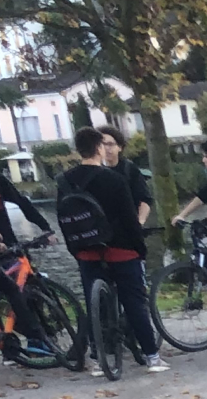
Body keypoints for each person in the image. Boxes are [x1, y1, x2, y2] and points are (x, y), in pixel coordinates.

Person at [55, 122, 162, 371]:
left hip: (86, 251)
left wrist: (76, 252)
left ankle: (96, 357)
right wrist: (140, 250)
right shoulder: (113, 179)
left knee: (95, 307)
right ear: (98, 148)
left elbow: (64, 221)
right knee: (135, 302)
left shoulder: (64, 181)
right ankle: (151, 356)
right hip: (121, 250)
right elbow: (128, 218)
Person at [0, 167, 61, 363]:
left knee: (26, 288)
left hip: (7, 245)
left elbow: (21, 202)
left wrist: (45, 227)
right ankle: (6, 342)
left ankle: (32, 342)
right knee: (5, 293)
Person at [96, 128, 154, 232]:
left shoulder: (129, 169)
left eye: (110, 144)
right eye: (102, 144)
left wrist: (139, 222)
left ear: (120, 147)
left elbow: (145, 199)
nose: (106, 148)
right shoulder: (95, 170)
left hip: (128, 226)